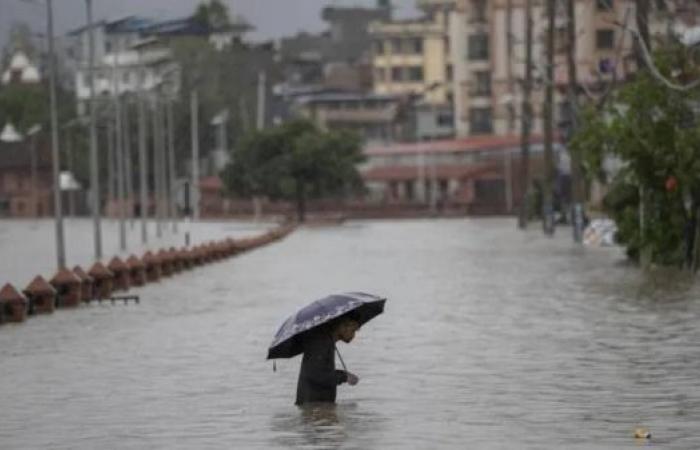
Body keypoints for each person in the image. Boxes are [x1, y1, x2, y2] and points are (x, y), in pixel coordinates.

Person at [295, 316, 360, 406]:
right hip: (314, 405)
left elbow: (322, 371)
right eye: (352, 330)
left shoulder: (326, 341)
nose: (353, 335)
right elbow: (316, 375)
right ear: (342, 327)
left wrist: (344, 374)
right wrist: (344, 377)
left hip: (318, 405)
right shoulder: (321, 343)